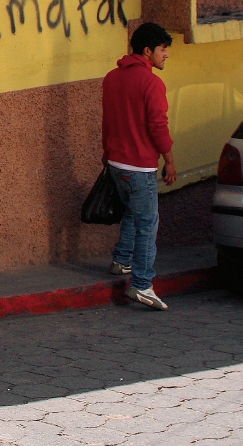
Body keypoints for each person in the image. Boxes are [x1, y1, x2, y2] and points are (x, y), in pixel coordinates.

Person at [102, 22, 176, 311]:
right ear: (148, 51)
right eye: (163, 49)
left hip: (115, 162)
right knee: (148, 223)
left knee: (133, 212)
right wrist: (169, 159)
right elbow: (158, 126)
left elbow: (107, 121)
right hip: (140, 165)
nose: (166, 55)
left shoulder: (111, 78)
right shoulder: (152, 83)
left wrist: (106, 153)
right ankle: (142, 284)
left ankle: (122, 260)